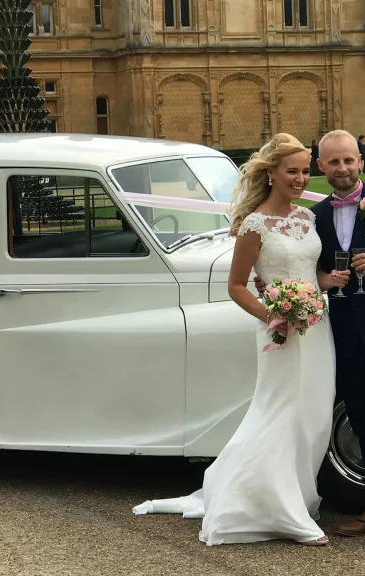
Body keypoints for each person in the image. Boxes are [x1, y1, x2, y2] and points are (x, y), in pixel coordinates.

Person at [131, 133, 350, 547]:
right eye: (293, 171)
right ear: (271, 173)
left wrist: (328, 280)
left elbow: (308, 273)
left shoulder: (306, 218)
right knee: (279, 412)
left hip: (317, 328)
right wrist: (273, 315)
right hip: (279, 331)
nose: (301, 178)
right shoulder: (254, 225)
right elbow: (237, 286)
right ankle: (279, 512)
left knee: (313, 416)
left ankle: (297, 499)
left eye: (305, 170)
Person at [258, 129, 365, 548]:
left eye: (349, 160)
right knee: (363, 422)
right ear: (321, 167)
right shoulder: (312, 216)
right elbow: (304, 270)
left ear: (361, 162)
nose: (342, 168)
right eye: (333, 162)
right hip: (340, 334)